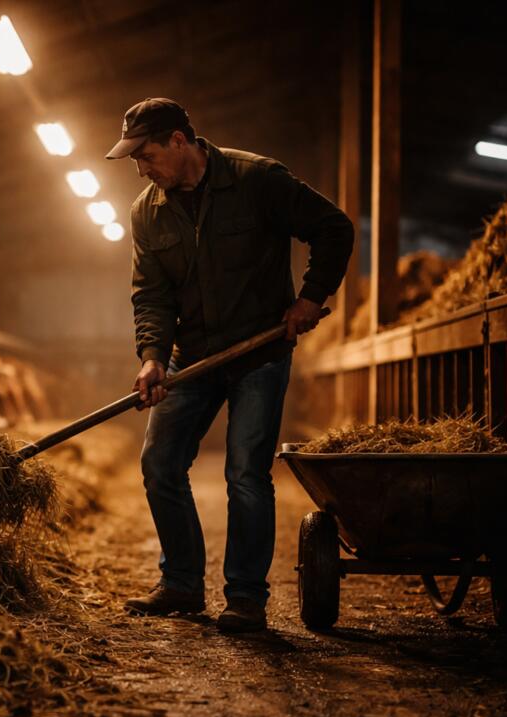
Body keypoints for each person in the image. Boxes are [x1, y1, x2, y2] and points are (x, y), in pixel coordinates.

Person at [105, 98, 353, 632]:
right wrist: (152, 359)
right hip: (191, 356)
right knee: (160, 464)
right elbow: (151, 295)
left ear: (178, 141)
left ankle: (244, 597)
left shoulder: (257, 179)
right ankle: (181, 584)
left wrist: (310, 298)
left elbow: (333, 227)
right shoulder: (147, 211)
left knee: (244, 472)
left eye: (145, 156)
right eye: (134, 162)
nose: (141, 170)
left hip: (258, 351)